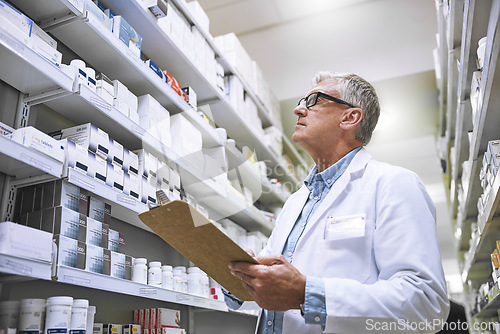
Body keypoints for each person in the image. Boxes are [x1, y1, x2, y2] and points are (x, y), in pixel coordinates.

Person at [224, 71, 450, 333]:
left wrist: (306, 293)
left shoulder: (394, 183)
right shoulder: (296, 202)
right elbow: (276, 297)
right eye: (301, 101)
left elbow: (425, 304)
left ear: (350, 117)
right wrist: (245, 280)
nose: (298, 109)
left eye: (314, 101)